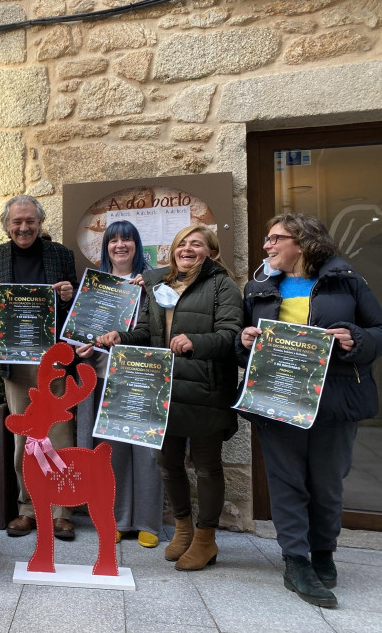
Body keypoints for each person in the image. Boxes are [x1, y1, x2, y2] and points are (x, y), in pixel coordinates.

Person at [236, 213, 382, 608]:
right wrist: (245, 340)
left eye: (275, 238)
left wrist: (356, 337)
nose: (266, 245)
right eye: (267, 239)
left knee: (327, 482)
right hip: (277, 397)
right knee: (287, 483)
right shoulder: (258, 287)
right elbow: (242, 343)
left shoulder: (346, 280)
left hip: (334, 399)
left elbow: (378, 330)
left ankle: (323, 553)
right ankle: (296, 561)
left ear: (302, 242)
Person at [98, 224, 242, 571]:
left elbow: (231, 335)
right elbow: (150, 332)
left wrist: (196, 342)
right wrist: (123, 336)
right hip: (163, 390)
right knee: (168, 464)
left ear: (212, 252)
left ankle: (206, 539)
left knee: (206, 467)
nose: (188, 249)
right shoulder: (159, 284)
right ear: (173, 250)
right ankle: (182, 528)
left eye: (197, 244)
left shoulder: (222, 284)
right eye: (182, 244)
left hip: (205, 389)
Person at [0, 195, 78, 540]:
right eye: (17, 222)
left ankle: (62, 511)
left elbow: (76, 310)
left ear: (40, 222)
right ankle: (27, 510)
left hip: (55, 362)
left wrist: (69, 295)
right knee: (26, 440)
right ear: (7, 225)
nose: (24, 227)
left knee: (60, 436)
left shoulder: (61, 256)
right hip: (17, 363)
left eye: (30, 221)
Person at [74, 220, 163, 549]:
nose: (120, 245)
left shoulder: (152, 282)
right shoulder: (95, 287)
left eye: (127, 240)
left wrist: (152, 287)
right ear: (106, 247)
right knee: (113, 454)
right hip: (102, 375)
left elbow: (163, 327)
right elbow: (81, 331)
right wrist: (78, 348)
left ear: (137, 246)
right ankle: (119, 520)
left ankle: (149, 522)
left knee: (147, 453)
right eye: (114, 240)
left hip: (140, 376)